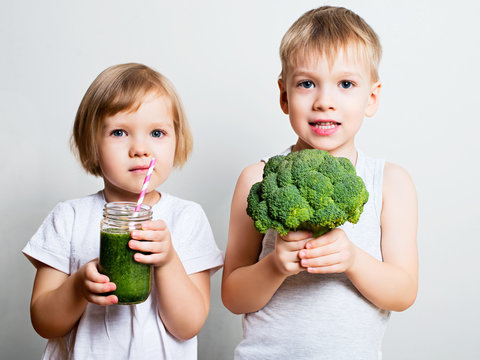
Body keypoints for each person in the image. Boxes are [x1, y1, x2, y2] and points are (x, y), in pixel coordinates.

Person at [221, 6, 418, 359]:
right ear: (284, 95)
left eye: (346, 84)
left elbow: (403, 293)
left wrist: (353, 259)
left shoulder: (390, 182)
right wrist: (275, 265)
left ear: (371, 97)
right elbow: (233, 297)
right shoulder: (258, 178)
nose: (324, 102)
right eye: (307, 83)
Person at [23, 63, 224, 359]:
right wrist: (78, 285)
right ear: (92, 142)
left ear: (177, 139)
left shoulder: (186, 218)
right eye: (119, 132)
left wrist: (167, 261)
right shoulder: (68, 218)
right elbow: (44, 323)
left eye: (157, 132)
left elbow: (187, 325)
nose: (140, 149)